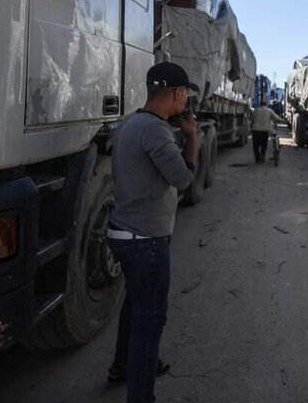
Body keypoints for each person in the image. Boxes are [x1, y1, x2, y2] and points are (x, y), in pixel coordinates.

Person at [106, 61, 197, 402]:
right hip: (147, 242)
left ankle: (121, 367)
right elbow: (184, 179)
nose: (185, 101)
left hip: (123, 235)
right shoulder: (156, 131)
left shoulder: (131, 122)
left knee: (134, 304)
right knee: (150, 322)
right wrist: (191, 136)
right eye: (184, 95)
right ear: (177, 93)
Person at [250, 98, 284, 163]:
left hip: (255, 130)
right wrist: (282, 120)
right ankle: (262, 155)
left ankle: (257, 158)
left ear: (260, 104)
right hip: (264, 130)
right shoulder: (269, 110)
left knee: (255, 145)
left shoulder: (255, 110)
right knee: (264, 144)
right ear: (266, 105)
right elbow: (275, 117)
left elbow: (252, 119)